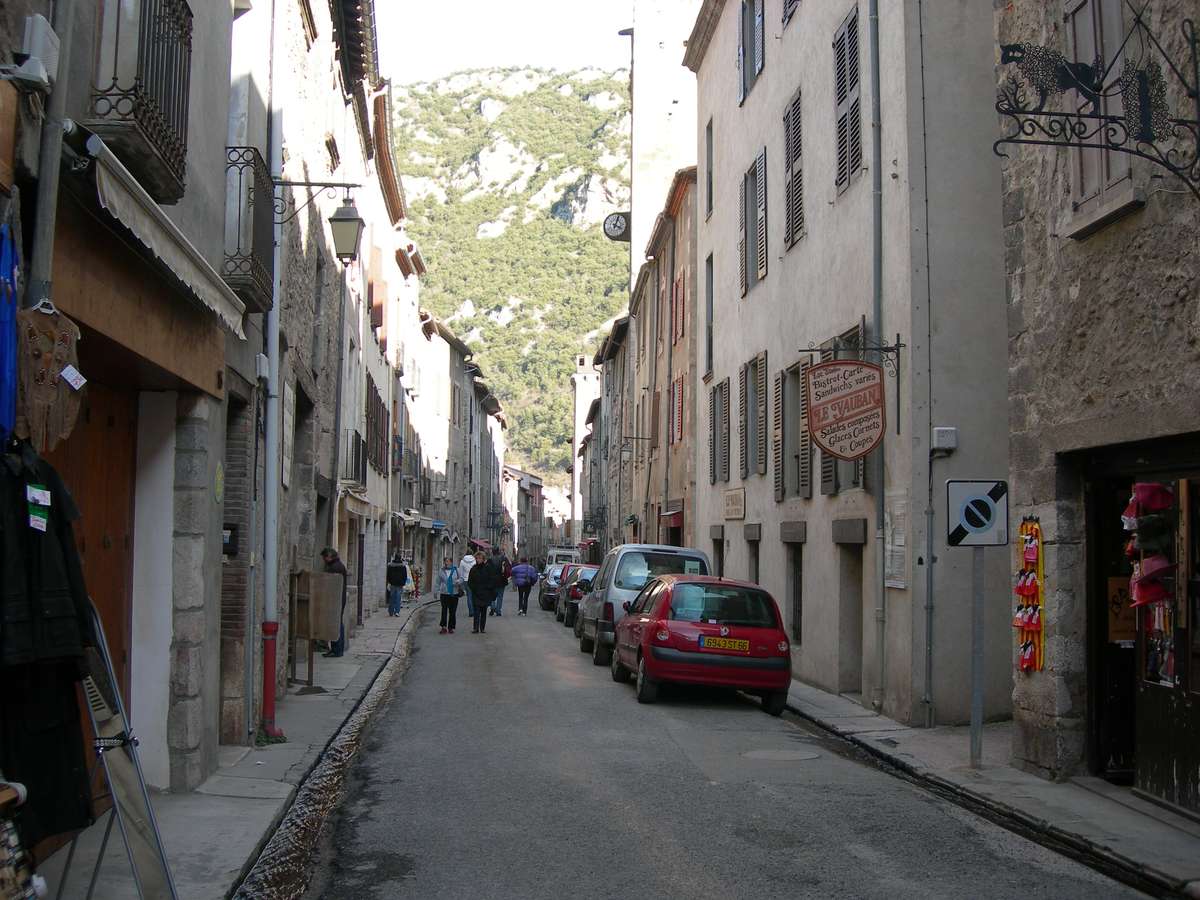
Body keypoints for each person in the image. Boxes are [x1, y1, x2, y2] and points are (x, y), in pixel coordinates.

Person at [321, 547, 348, 658]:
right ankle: (336, 649)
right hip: (337, 598)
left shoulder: (335, 567)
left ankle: (337, 650)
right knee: (337, 623)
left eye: (324, 558)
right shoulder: (338, 565)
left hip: (336, 599)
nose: (323, 560)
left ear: (329, 556)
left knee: (336, 624)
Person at [467, 551, 493, 633]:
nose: (478, 560)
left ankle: (482, 628)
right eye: (477, 558)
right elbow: (470, 581)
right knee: (476, 611)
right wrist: (474, 589)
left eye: (480, 558)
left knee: (483, 611)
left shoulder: (488, 568)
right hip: (476, 593)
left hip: (485, 593)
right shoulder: (473, 569)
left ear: (483, 559)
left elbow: (491, 580)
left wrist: (488, 588)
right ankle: (475, 628)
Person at [437, 557, 461, 634]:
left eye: (448, 561)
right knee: (444, 610)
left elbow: (462, 579)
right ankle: (443, 627)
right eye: (445, 561)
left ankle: (451, 627)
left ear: (451, 562)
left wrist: (458, 581)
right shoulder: (441, 570)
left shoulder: (456, 570)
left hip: (454, 593)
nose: (446, 563)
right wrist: (435, 591)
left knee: (452, 611)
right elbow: (438, 581)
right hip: (444, 593)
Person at [386, 551, 408, 617]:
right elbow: (405, 575)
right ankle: (397, 612)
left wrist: (389, 581)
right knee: (398, 598)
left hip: (393, 583)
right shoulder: (403, 566)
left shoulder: (390, 565)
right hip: (400, 584)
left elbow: (388, 575)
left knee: (392, 597)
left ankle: (391, 611)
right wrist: (403, 583)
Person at [489, 548, 508, 616]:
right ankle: (498, 610)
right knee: (500, 596)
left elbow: (487, 570)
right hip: (501, 579)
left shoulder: (490, 559)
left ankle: (492, 607)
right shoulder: (503, 558)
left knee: (492, 595)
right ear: (499, 552)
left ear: (493, 552)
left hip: (492, 580)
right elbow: (508, 568)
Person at [459, 549, 478, 618]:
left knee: (469, 596)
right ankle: (475, 610)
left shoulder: (462, 561)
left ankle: (471, 611)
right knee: (473, 595)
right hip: (473, 580)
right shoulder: (475, 561)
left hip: (466, 579)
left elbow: (460, 572)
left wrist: (461, 581)